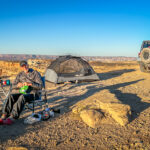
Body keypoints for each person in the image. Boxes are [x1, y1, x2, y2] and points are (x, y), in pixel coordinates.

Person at [0, 60, 43, 124]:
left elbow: (40, 86)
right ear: (21, 67)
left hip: (33, 94)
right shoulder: (20, 75)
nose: (24, 67)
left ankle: (12, 117)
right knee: (11, 96)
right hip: (23, 92)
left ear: (28, 65)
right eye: (22, 66)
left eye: (25, 65)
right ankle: (4, 115)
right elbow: (13, 86)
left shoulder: (35, 73)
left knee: (22, 97)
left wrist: (31, 84)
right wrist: (17, 85)